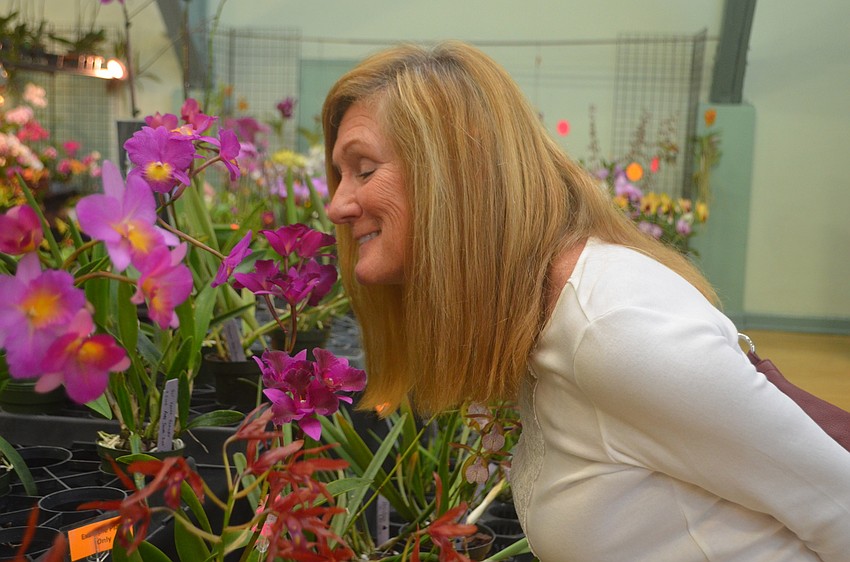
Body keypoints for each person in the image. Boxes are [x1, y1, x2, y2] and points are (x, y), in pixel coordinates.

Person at [321, 40, 850, 561]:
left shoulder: (617, 330)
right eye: (340, 175)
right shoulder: (541, 321)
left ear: (458, 174)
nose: (337, 205)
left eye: (364, 170)